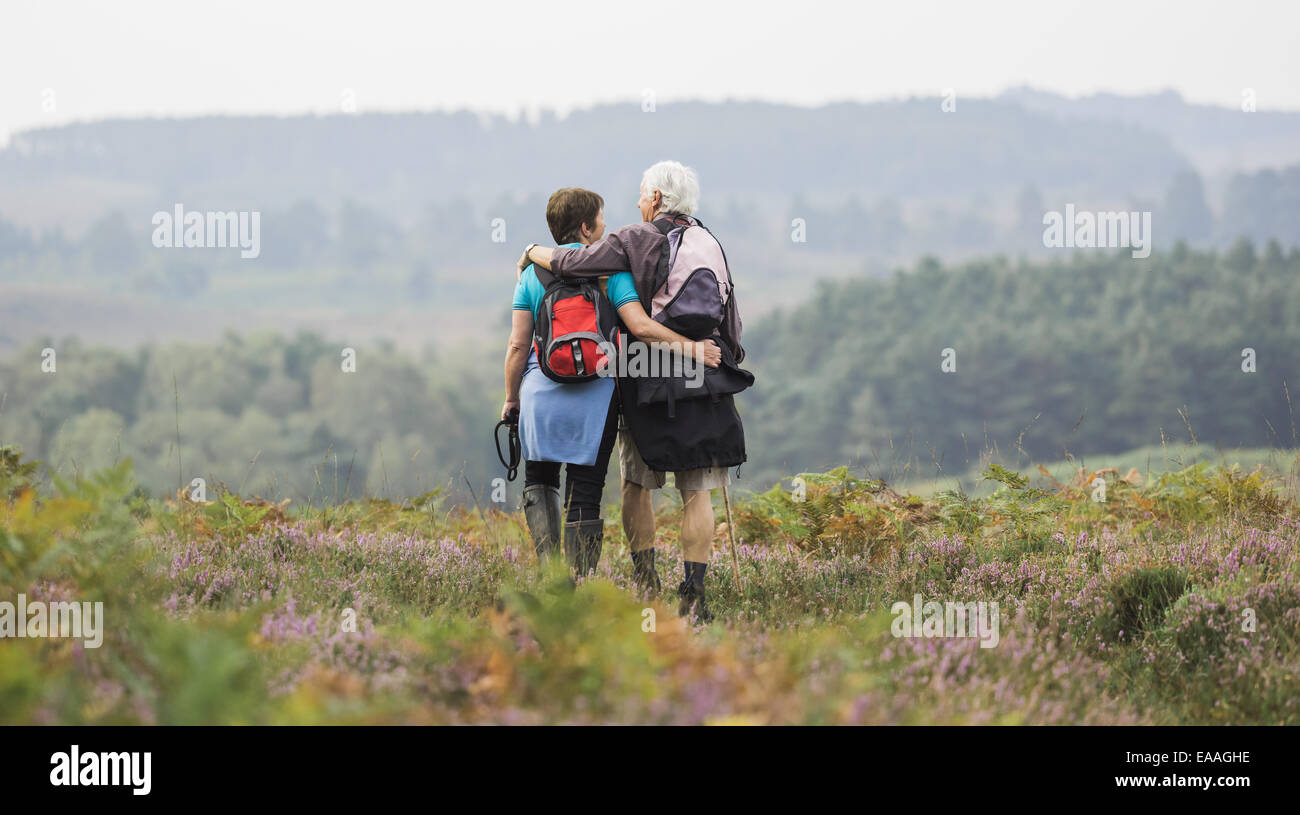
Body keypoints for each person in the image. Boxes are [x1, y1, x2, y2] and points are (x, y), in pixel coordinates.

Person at [516, 161, 749, 621]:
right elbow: (731, 316)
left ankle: (647, 583)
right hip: (705, 380)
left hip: (646, 381)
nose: (639, 203)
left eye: (643, 196)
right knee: (697, 492)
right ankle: (694, 595)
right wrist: (716, 357)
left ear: (657, 199)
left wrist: (530, 249)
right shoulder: (710, 240)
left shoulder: (633, 240)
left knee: (635, 484)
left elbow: (569, 262)